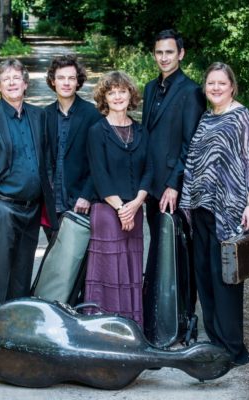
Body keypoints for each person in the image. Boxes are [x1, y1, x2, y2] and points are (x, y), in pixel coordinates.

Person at [179, 62, 249, 366]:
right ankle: (215, 338)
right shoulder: (207, 117)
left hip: (230, 211)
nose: (215, 88)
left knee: (226, 276)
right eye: (211, 83)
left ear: (232, 87)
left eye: (221, 83)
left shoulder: (243, 118)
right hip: (202, 207)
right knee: (205, 274)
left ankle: (233, 347)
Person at [0, 58, 58, 307]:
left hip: (32, 209)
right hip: (2, 209)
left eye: (17, 78)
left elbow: (47, 162)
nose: (12, 83)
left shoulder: (38, 116)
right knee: (1, 274)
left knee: (22, 274)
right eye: (6, 79)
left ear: (26, 83)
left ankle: (19, 330)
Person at [142, 28, 205, 319]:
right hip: (151, 186)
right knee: (158, 250)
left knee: (180, 253)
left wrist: (174, 184)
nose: (164, 57)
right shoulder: (149, 89)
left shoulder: (191, 91)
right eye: (159, 52)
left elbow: (190, 144)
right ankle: (159, 315)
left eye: (169, 52)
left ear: (180, 54)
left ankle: (183, 319)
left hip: (173, 188)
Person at [85, 71, 152, 327]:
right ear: (104, 98)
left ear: (130, 95)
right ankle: (103, 329)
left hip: (135, 210)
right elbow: (100, 176)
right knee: (110, 274)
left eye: (122, 91)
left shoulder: (141, 131)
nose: (117, 96)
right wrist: (122, 209)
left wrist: (136, 205)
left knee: (132, 271)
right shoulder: (97, 131)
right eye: (111, 92)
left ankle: (132, 329)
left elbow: (150, 170)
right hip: (107, 212)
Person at [44, 55, 102, 238]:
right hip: (52, 204)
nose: (66, 83)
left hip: (80, 203)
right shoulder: (44, 115)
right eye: (61, 78)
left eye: (71, 78)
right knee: (55, 260)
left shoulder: (93, 115)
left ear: (78, 82)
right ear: (53, 82)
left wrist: (86, 195)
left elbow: (100, 162)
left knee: (78, 262)